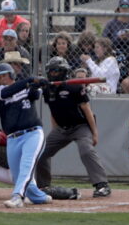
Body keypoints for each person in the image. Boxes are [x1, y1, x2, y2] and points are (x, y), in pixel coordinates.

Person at [36, 56, 110, 198]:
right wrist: (55, 130)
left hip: (80, 127)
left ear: (64, 72)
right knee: (41, 152)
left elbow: (87, 110)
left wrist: (95, 133)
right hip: (61, 128)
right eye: (50, 71)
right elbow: (53, 111)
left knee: (86, 150)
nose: (52, 74)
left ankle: (102, 185)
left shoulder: (74, 86)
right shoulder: (48, 89)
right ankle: (43, 186)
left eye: (56, 71)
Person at [0, 61, 50, 208]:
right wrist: (30, 81)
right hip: (13, 139)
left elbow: (35, 95)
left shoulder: (26, 89)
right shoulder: (0, 92)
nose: (2, 79)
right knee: (18, 176)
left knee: (26, 166)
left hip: (33, 134)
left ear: (11, 74)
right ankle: (40, 197)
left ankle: (17, 197)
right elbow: (8, 92)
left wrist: (39, 85)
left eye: (4, 75)